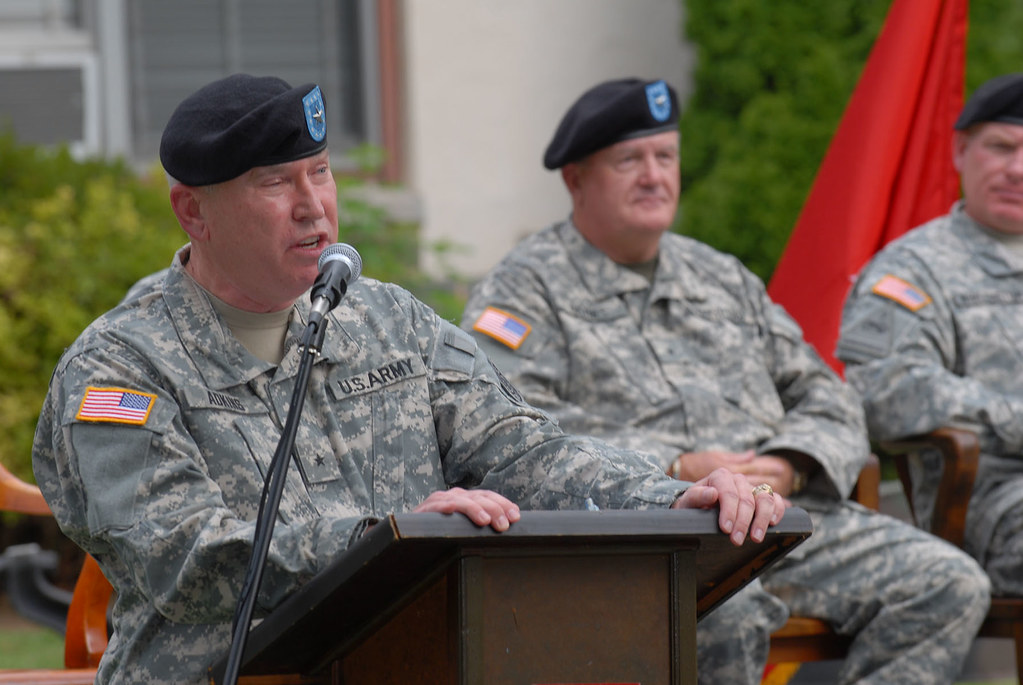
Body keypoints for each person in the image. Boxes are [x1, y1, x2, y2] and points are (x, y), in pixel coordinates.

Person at [30, 74, 785, 685]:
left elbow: (523, 450)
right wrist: (389, 542)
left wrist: (662, 496)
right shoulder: (120, 368)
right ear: (193, 211)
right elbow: (184, 557)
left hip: (422, 661)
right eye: (275, 183)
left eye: (320, 172)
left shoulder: (390, 320)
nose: (313, 207)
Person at [461, 77, 991, 685]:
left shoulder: (721, 277)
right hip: (648, 536)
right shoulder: (523, 289)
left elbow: (829, 394)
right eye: (629, 161)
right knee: (722, 612)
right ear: (576, 180)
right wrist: (675, 466)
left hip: (781, 519)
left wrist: (790, 463)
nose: (654, 176)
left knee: (949, 585)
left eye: (666, 157)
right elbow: (511, 428)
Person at [838, 72, 1023, 598]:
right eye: (1001, 147)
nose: (1017, 169)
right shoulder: (912, 271)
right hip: (993, 500)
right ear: (961, 150)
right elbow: (886, 391)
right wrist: (1014, 417)